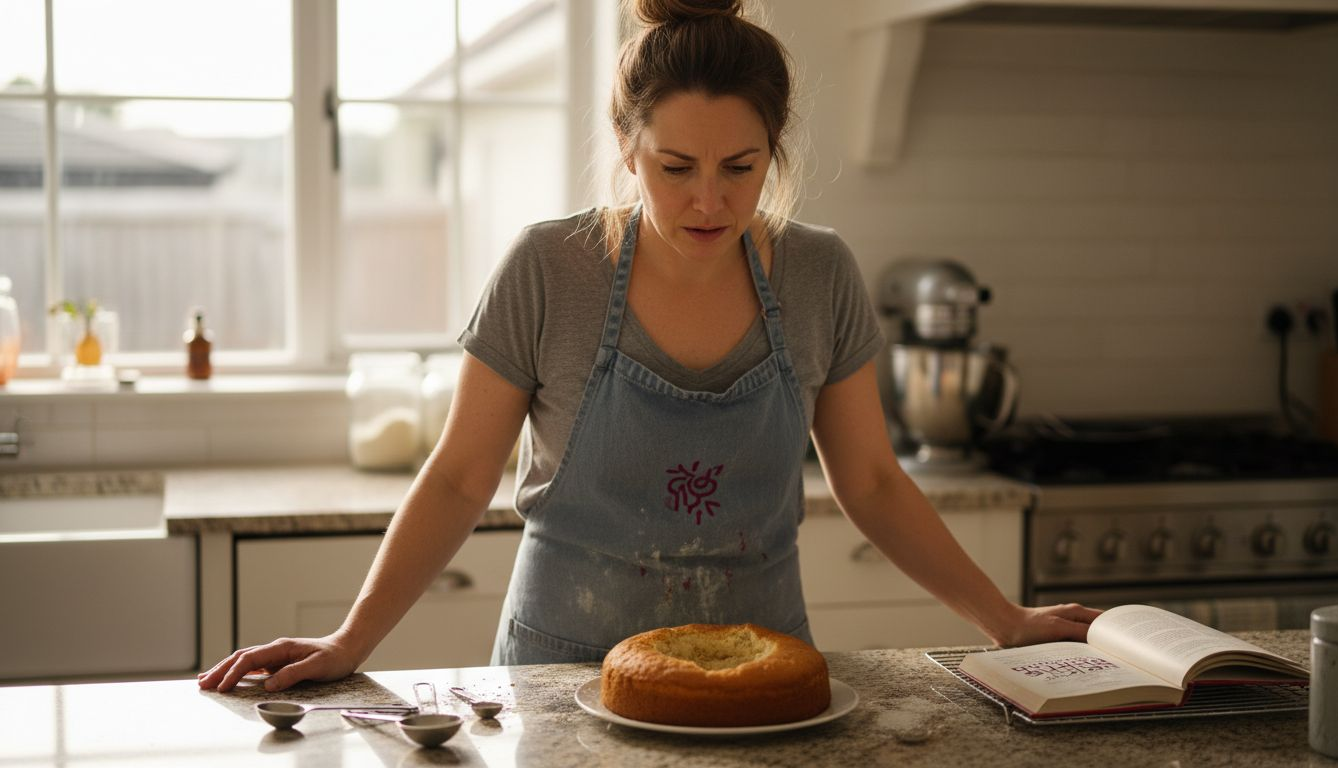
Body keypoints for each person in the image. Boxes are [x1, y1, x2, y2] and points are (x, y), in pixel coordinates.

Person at [199, 0, 1099, 694]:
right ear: (628, 149)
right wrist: (350, 642)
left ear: (773, 153)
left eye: (740, 168)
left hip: (762, 681)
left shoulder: (820, 274)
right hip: (560, 679)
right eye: (677, 168)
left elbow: (868, 482)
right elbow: (458, 477)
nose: (708, 200)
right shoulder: (552, 268)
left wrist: (1003, 618)